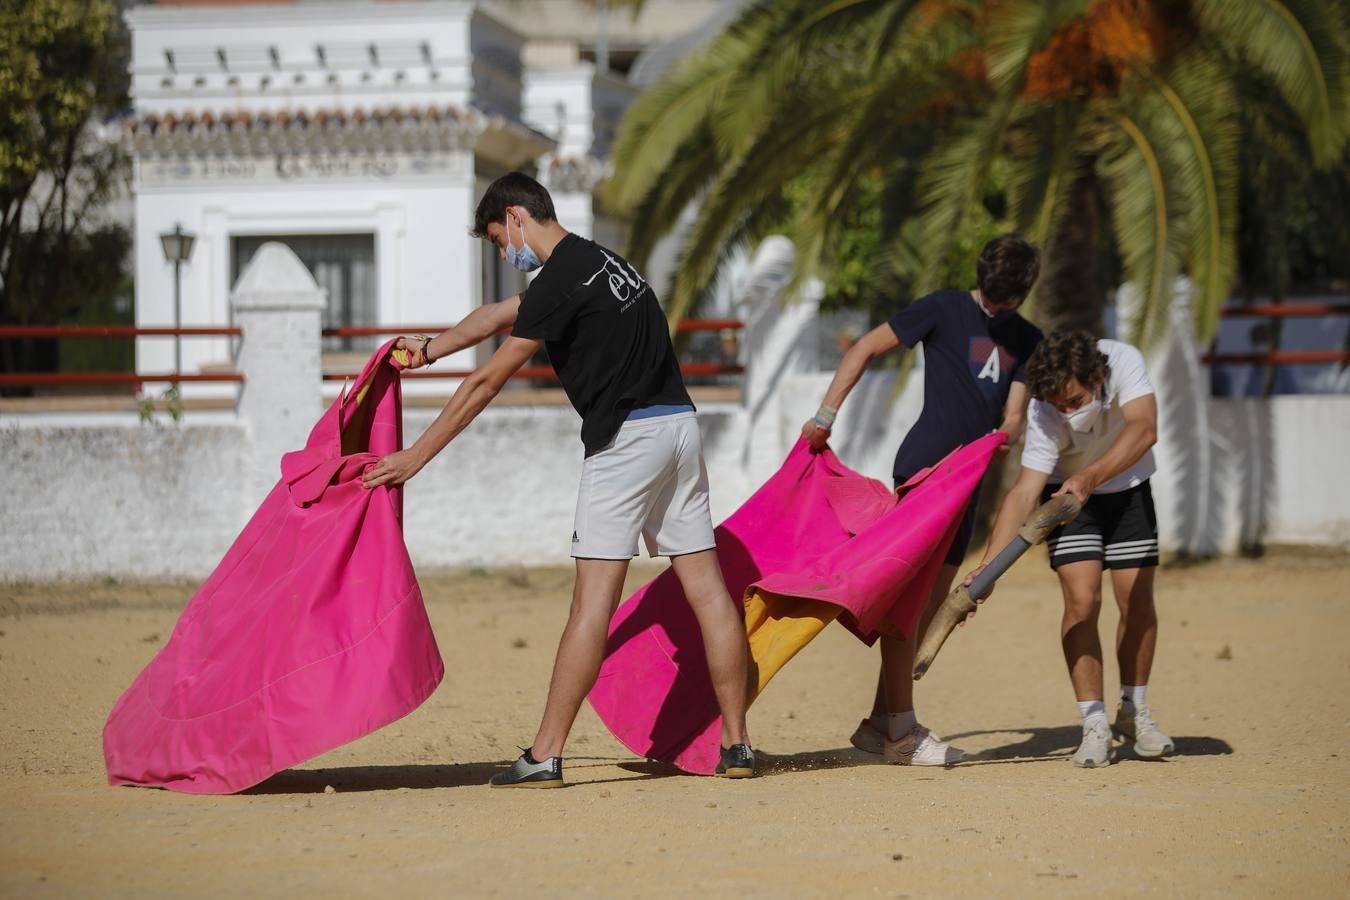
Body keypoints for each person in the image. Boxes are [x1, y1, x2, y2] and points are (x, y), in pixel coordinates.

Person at [361, 172, 754, 786]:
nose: (502, 253)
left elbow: (486, 382)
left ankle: (544, 753)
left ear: (516, 217)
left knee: (591, 603)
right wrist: (429, 348)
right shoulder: (599, 262)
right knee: (709, 593)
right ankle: (737, 744)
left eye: (497, 239)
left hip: (626, 445)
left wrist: (416, 457)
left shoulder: (560, 281)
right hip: (680, 429)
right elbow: (498, 314)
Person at [801, 234, 1043, 765]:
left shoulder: (1028, 338)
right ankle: (902, 733)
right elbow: (865, 346)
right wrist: (825, 416)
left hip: (967, 483)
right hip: (925, 469)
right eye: (994, 295)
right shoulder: (942, 307)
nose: (999, 306)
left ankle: (878, 724)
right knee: (910, 605)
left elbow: (1013, 419)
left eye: (1009, 299)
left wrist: (1008, 433)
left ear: (1024, 294)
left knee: (930, 609)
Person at [966, 330, 1174, 768]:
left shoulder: (1124, 361)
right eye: (1059, 405)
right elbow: (1025, 492)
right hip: (1066, 499)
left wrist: (1093, 477)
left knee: (1135, 599)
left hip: (1128, 488)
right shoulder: (1044, 407)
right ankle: (1094, 722)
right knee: (1082, 602)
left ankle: (1134, 711)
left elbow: (1145, 427)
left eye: (1075, 401)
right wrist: (986, 570)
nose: (1067, 411)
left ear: (1097, 376)